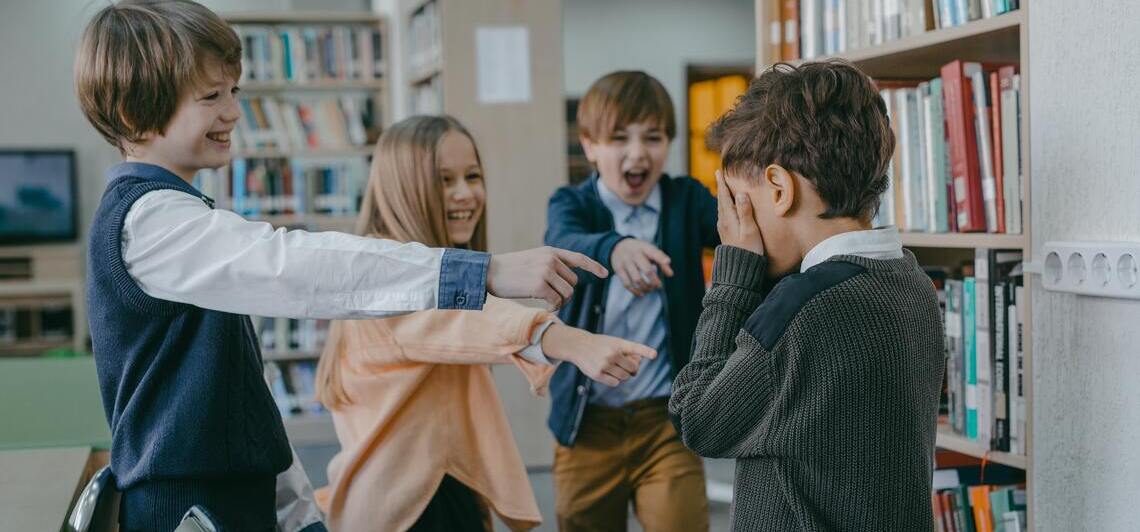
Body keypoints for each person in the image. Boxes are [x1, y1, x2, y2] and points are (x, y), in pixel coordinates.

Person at [76, 2, 603, 530]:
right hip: (188, 509)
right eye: (211, 96)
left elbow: (241, 398)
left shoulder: (182, 214)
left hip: (230, 500)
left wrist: (298, 511)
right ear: (133, 115)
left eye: (233, 92)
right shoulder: (148, 222)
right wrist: (479, 271)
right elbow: (293, 266)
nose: (233, 112)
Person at [314, 115, 657, 531]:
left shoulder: (411, 265)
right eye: (444, 180)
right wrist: (569, 340)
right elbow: (460, 316)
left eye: (472, 176)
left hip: (440, 492)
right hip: (407, 511)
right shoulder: (384, 271)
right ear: (404, 188)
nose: (465, 194)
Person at [669, 60, 945, 530]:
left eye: (737, 201)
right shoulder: (912, 282)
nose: (732, 223)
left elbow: (697, 418)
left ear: (778, 189)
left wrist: (733, 273)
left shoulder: (802, 309)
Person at [543, 70, 719, 531]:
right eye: (619, 138)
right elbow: (562, 237)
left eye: (654, 138)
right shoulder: (571, 204)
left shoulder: (685, 199)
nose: (637, 153)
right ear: (590, 146)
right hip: (588, 425)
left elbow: (734, 231)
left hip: (666, 420)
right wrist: (615, 246)